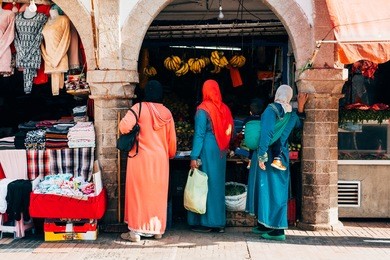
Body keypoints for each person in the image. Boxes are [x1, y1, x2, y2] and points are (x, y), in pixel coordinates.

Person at [246, 84, 308, 241]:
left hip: (267, 156)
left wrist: (261, 155)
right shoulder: (291, 114)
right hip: (280, 156)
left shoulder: (270, 110)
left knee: (271, 191)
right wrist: (300, 106)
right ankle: (265, 223)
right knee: (272, 190)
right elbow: (299, 124)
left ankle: (278, 230)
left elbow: (267, 133)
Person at [119, 80, 177, 242]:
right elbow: (172, 142)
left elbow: (124, 127)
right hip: (160, 161)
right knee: (157, 194)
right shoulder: (167, 113)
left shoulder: (138, 108)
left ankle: (135, 232)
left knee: (138, 194)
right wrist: (170, 154)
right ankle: (157, 230)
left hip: (140, 159)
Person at [188, 79, 234, 233]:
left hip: (207, 149)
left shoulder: (203, 110)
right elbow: (230, 130)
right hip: (220, 150)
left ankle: (206, 223)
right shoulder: (225, 109)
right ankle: (218, 222)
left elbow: (199, 135)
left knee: (204, 184)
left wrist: (194, 156)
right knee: (217, 184)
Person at [41, 4, 71, 95]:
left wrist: (56, 59)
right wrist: (46, 57)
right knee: (53, 88)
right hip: (48, 58)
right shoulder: (45, 22)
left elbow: (66, 39)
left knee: (62, 87)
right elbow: (41, 42)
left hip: (59, 57)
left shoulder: (64, 19)